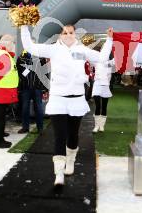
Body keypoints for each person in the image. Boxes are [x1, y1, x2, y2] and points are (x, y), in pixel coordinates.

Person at [21, 24, 113, 187]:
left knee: (72, 135)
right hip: (58, 100)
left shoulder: (82, 50)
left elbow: (103, 57)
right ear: (60, 36)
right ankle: (58, 173)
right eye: (65, 32)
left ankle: (71, 161)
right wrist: (23, 28)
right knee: (59, 136)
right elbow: (30, 47)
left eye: (71, 32)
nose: (68, 34)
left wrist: (110, 40)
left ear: (75, 35)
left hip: (77, 100)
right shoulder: (53, 50)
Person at [17, 50, 47, 134]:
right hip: (25, 87)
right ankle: (25, 127)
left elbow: (45, 72)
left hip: (37, 87)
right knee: (25, 108)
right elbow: (18, 71)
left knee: (39, 108)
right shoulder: (21, 57)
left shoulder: (40, 57)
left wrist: (45, 88)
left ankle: (40, 128)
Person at [92, 56, 114, 133]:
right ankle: (96, 125)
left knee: (104, 106)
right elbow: (88, 57)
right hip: (97, 86)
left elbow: (118, 59)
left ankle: (101, 126)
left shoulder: (109, 63)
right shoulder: (96, 62)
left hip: (105, 86)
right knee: (98, 106)